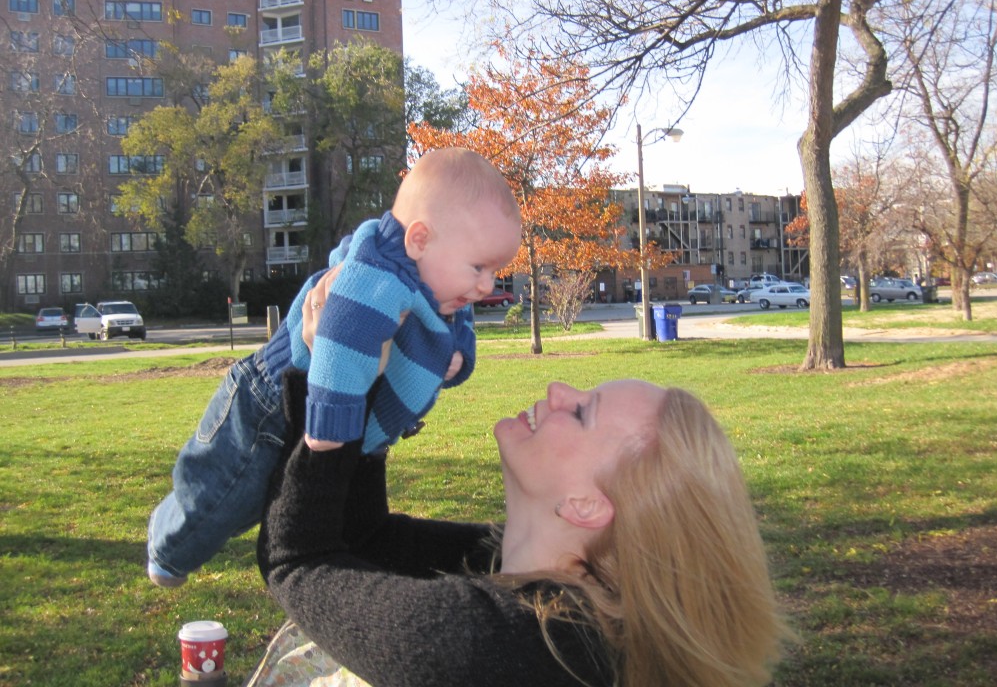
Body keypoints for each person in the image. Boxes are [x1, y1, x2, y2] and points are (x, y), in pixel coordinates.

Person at [255, 276, 792, 687]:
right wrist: (369, 380)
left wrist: (332, 377)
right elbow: (366, 540)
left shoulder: (496, 642)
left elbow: (298, 559)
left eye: (582, 412)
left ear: (585, 505)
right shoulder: (534, 584)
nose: (559, 388)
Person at [146, 147, 522, 588]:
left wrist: (458, 360)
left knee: (267, 508)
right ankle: (166, 550)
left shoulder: (440, 282)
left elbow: (455, 332)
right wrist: (330, 429)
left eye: (495, 270)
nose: (486, 285)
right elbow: (342, 347)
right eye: (479, 266)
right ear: (419, 239)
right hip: (267, 405)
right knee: (221, 500)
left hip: (307, 408)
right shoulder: (373, 278)